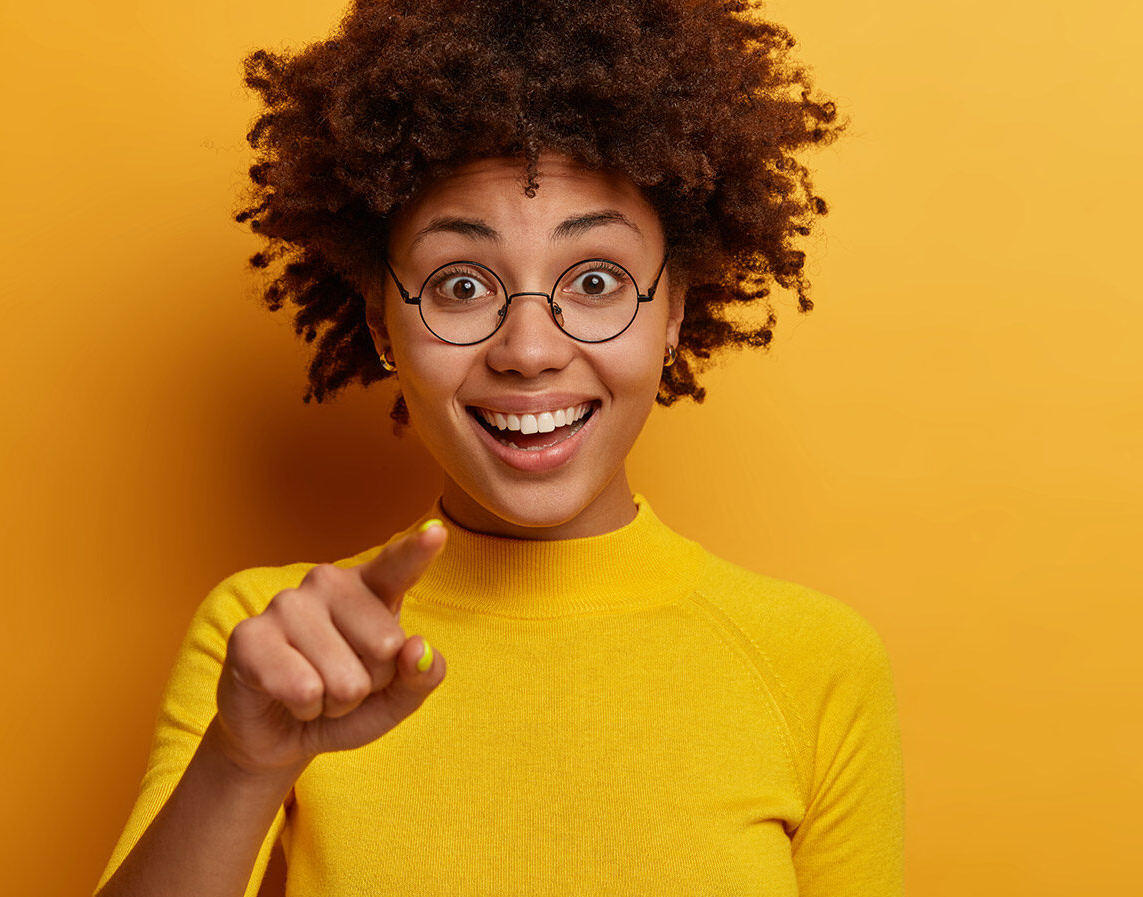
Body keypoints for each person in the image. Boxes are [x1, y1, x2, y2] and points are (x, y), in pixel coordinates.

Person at [95, 1, 904, 895]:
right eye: (460, 283)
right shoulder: (278, 647)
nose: (527, 350)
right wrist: (242, 764)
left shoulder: (815, 661)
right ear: (380, 324)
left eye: (594, 280)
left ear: (673, 307)